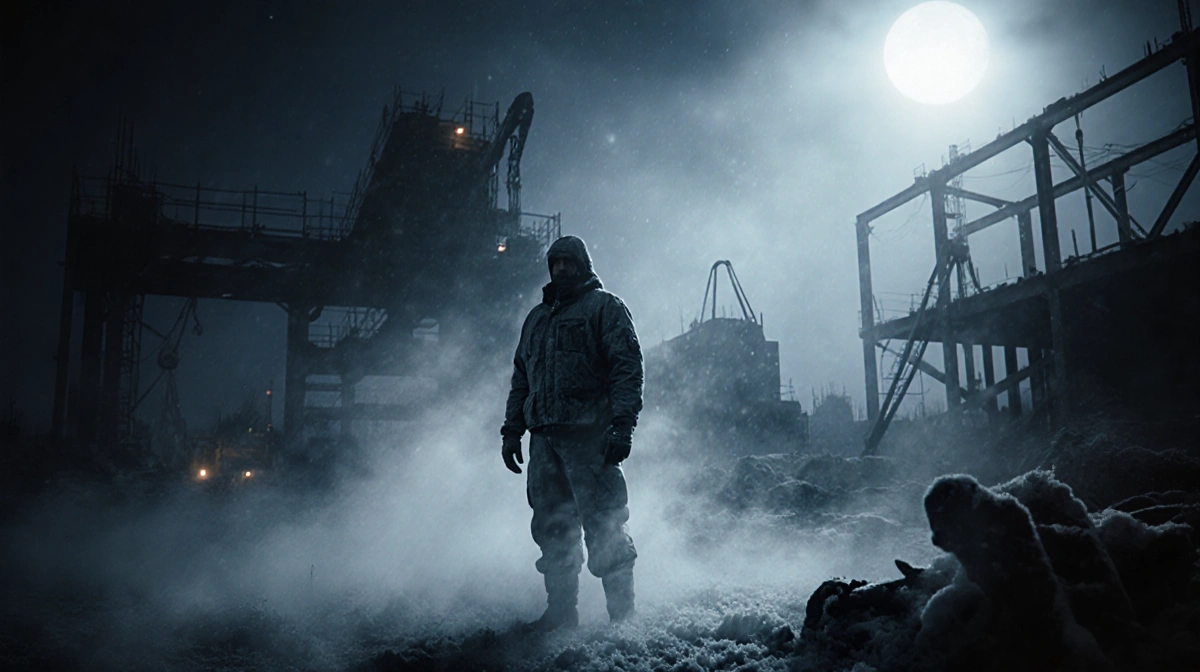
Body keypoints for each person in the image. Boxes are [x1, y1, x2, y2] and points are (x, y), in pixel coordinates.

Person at [501, 235, 643, 631]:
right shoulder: (536, 320)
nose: (562, 268)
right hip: (544, 443)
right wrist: (512, 432)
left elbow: (627, 368)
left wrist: (623, 426)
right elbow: (522, 381)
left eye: (569, 261)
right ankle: (561, 615)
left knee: (605, 525)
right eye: (556, 262)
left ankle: (623, 620)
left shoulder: (605, 308)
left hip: (590, 440)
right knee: (553, 529)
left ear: (583, 264)